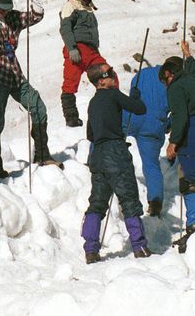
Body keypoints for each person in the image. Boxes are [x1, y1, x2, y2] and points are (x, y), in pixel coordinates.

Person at [0, 0, 62, 179]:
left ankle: (42, 155)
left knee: (38, 107)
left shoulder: (13, 17)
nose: (4, 11)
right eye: (1, 8)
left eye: (7, 8)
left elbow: (37, 15)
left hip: (16, 76)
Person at [80, 63, 150, 264]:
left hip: (98, 156)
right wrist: (134, 97)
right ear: (101, 81)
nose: (113, 75)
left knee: (97, 203)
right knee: (128, 199)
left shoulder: (93, 103)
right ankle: (139, 246)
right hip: (116, 153)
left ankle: (91, 250)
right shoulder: (113, 94)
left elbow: (90, 134)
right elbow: (140, 109)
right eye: (109, 73)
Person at [160, 41, 195, 253]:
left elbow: (181, 116)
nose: (165, 85)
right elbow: (194, 71)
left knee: (190, 184)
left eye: (164, 80)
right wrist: (188, 55)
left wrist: (173, 142)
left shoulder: (176, 87)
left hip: (191, 140)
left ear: (169, 73)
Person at [59, 0, 118, 127]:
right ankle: (71, 118)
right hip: (76, 49)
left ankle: (111, 110)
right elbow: (65, 28)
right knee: (70, 83)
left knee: (109, 75)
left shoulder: (88, 7)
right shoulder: (70, 5)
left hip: (91, 52)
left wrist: (96, 51)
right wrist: (72, 48)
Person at [122, 66, 170, 217]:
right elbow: (178, 110)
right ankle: (155, 202)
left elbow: (133, 94)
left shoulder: (142, 74)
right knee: (151, 164)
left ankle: (92, 159)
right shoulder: (172, 82)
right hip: (154, 125)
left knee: (108, 134)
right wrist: (168, 124)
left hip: (133, 116)